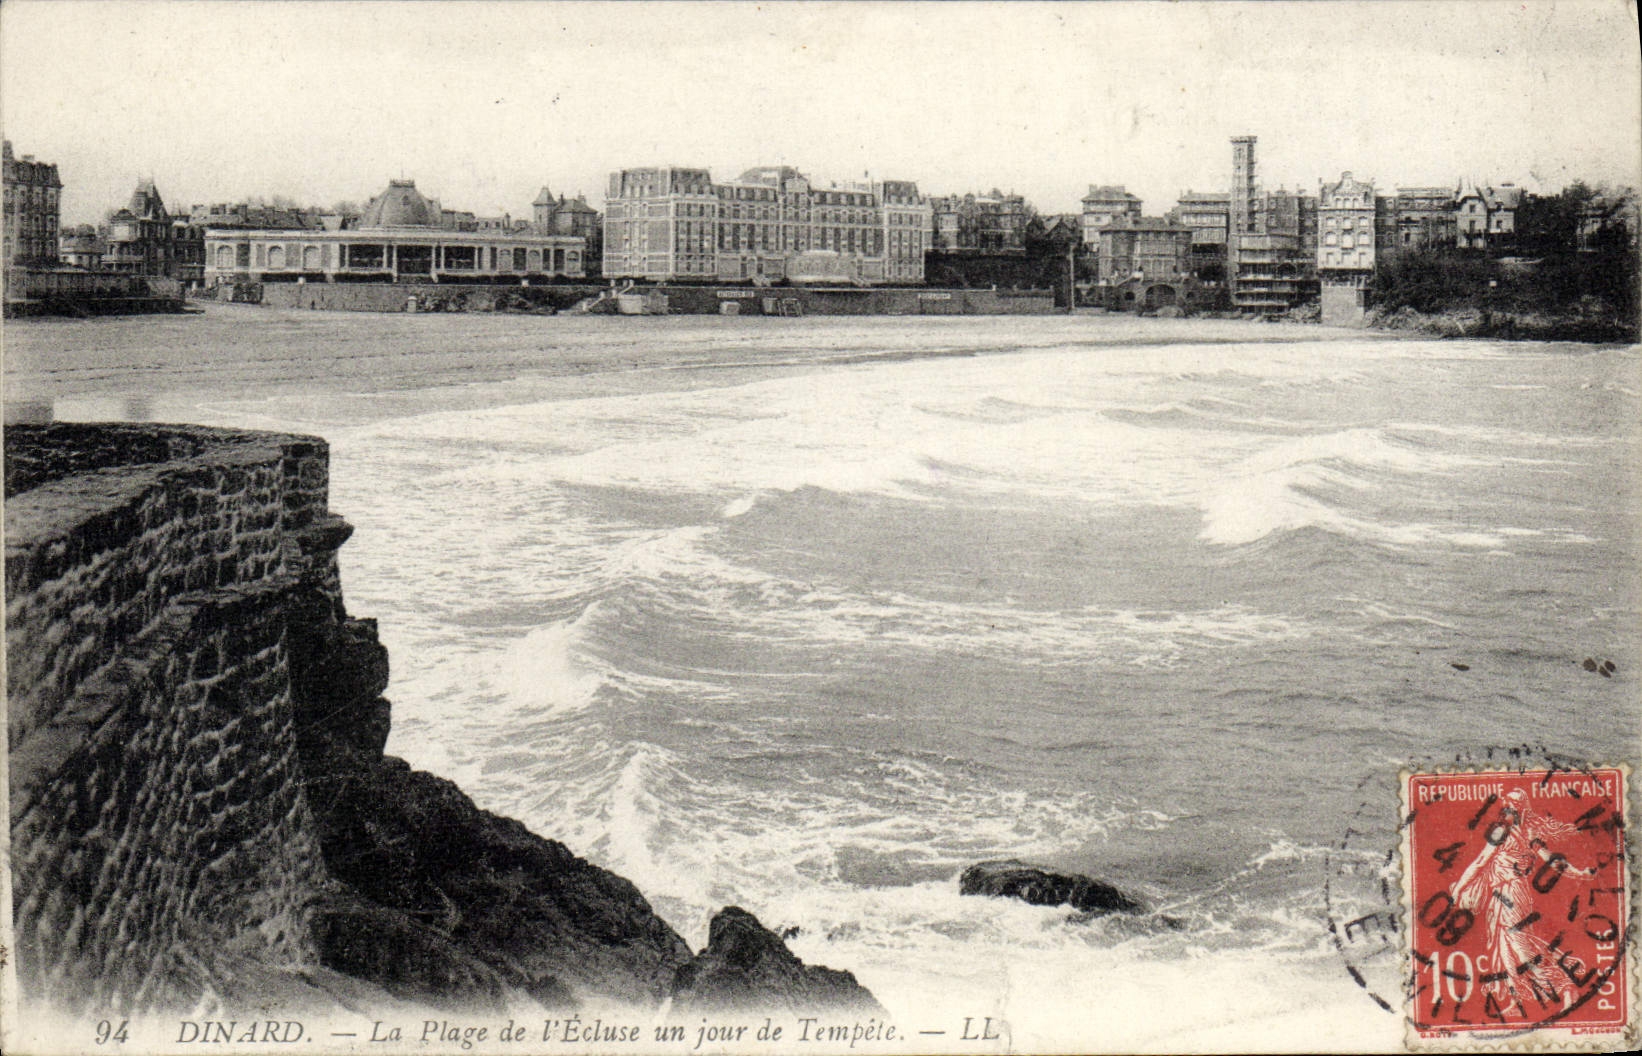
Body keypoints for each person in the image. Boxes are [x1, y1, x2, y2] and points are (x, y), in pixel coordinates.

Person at [1449, 789, 1605, 1017]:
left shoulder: (1523, 832)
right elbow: (1481, 861)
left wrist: (1578, 874)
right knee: (1504, 949)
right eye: (1506, 804)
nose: (1507, 808)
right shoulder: (1504, 831)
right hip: (1499, 894)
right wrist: (1460, 889)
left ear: (1520, 807)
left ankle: (1565, 987)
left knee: (1521, 947)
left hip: (1512, 892)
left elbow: (1549, 860)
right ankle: (1517, 998)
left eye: (1511, 804)